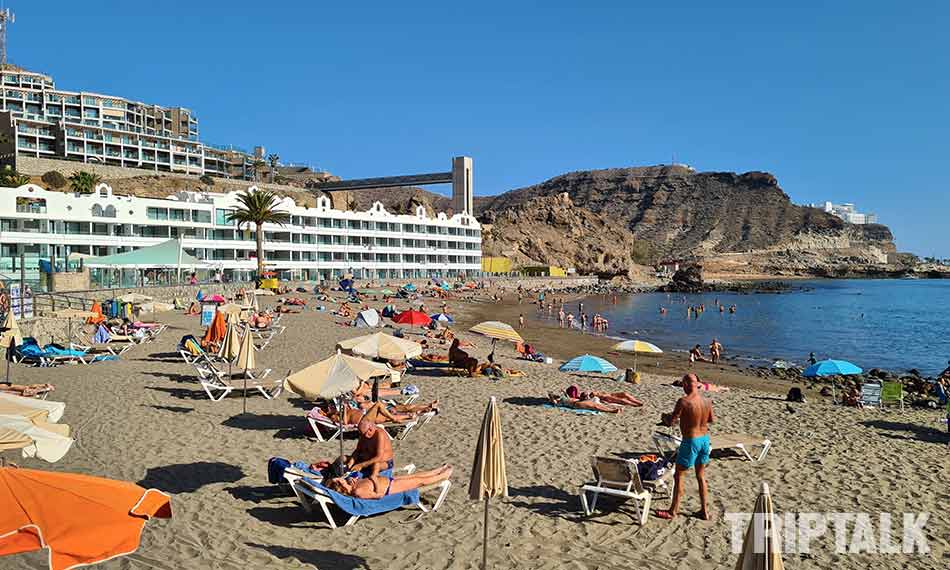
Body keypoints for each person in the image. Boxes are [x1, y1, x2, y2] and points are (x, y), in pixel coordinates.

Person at [657, 373, 714, 520]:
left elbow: (671, 421)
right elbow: (711, 420)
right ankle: (704, 511)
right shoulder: (707, 401)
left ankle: (673, 511)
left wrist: (666, 417)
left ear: (686, 385)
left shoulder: (683, 401)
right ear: (698, 384)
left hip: (691, 441)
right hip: (705, 440)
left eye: (683, 384)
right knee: (701, 476)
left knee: (679, 475)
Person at [325, 465, 453, 499]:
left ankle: (438, 470)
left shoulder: (353, 486)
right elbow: (379, 496)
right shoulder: (358, 491)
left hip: (389, 481)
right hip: (390, 488)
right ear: (341, 488)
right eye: (341, 483)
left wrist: (349, 481)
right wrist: (374, 481)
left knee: (416, 476)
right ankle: (443, 476)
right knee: (419, 481)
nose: (343, 480)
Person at [565, 384, 643, 407]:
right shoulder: (580, 397)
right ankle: (634, 404)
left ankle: (637, 401)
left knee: (624, 394)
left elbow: (574, 386)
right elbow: (575, 398)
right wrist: (589, 395)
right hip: (605, 397)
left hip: (609, 394)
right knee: (621, 400)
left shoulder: (580, 394)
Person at [547, 392, 621, 413]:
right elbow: (555, 403)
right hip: (576, 404)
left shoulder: (563, 398)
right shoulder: (558, 402)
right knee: (594, 406)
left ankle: (610, 409)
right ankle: (612, 410)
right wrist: (551, 397)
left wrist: (564, 393)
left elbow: (569, 398)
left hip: (579, 401)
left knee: (595, 404)